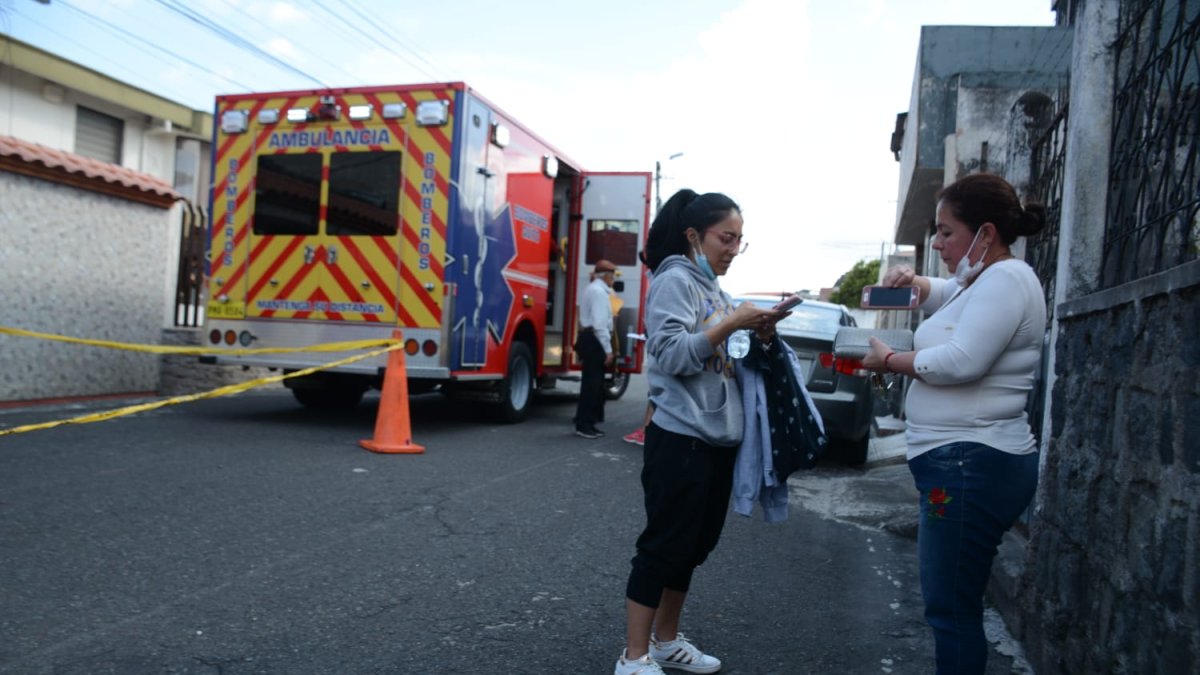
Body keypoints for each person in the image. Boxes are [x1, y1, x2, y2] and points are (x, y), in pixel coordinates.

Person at [862, 173, 1047, 675]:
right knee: (951, 605)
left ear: (985, 233)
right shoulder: (983, 281)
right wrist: (916, 284)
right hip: (964, 462)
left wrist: (890, 361)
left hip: (970, 464)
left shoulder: (1006, 280)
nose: (937, 244)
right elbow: (949, 294)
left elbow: (963, 360)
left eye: (946, 232)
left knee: (951, 609)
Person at [614, 189, 782, 675]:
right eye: (726, 238)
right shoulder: (674, 281)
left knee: (693, 547)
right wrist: (730, 323)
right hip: (680, 436)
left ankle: (666, 642)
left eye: (739, 240)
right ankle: (633, 656)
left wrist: (759, 333)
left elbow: (724, 360)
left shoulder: (716, 290)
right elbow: (669, 355)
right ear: (694, 236)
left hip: (717, 438)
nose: (733, 249)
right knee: (663, 545)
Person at [575, 259, 619, 438]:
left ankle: (588, 422)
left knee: (592, 383)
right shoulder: (599, 293)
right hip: (595, 340)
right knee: (592, 385)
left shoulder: (594, 289)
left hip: (589, 338)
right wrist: (608, 350)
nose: (613, 279)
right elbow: (600, 324)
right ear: (606, 276)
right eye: (613, 276)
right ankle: (584, 424)